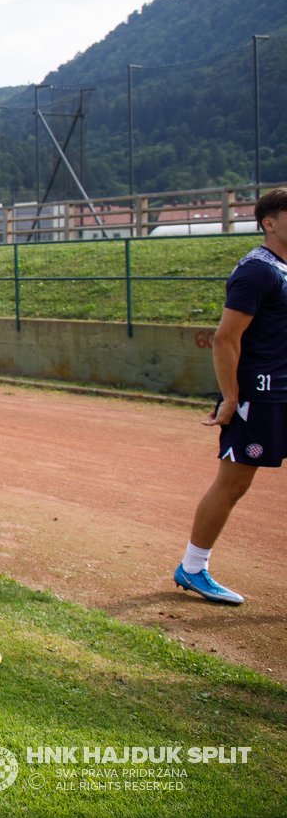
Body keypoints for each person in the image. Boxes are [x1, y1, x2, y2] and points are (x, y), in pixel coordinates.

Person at [176, 187, 287, 605]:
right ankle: (192, 568)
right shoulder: (258, 271)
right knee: (233, 483)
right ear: (269, 223)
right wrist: (230, 398)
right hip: (259, 398)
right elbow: (225, 339)